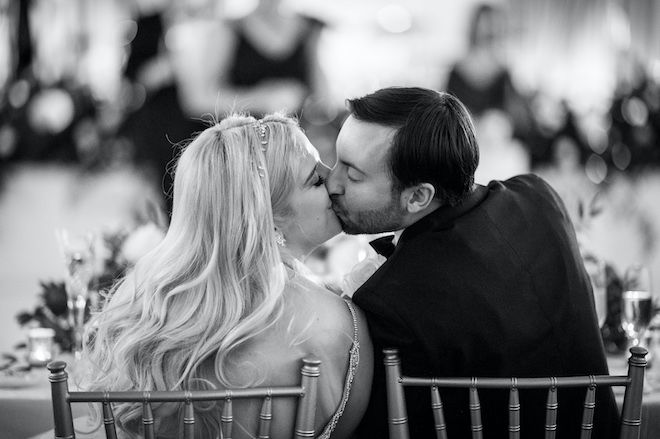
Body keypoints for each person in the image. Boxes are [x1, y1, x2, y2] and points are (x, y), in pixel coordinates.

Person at [325, 86, 619, 438]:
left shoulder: (392, 302)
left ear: (418, 196)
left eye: (353, 175)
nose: (331, 181)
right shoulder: (538, 197)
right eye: (336, 159)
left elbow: (386, 430)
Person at [81, 113, 373, 439]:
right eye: (316, 180)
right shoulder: (343, 324)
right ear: (268, 218)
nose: (334, 182)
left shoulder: (140, 307)